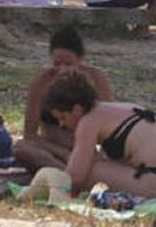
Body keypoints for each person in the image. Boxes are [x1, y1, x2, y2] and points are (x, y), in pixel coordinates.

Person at [44, 69, 156, 199]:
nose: (62, 125)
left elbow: (75, 177)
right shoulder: (118, 109)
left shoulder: (88, 121)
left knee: (90, 172)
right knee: (97, 164)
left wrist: (57, 187)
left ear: (77, 109)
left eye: (62, 118)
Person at [13, 25, 113, 171]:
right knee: (21, 148)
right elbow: (30, 134)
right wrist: (64, 154)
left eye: (68, 64)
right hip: (53, 152)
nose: (62, 70)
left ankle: (73, 174)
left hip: (84, 151)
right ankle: (68, 175)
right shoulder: (42, 82)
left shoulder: (96, 79)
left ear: (80, 59)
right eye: (57, 64)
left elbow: (109, 128)